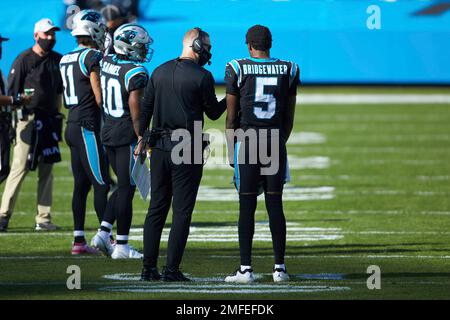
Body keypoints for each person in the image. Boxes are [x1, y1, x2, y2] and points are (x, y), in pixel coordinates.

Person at [138, 27, 226, 282]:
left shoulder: (159, 70)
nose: (209, 51)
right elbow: (213, 113)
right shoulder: (202, 76)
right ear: (196, 45)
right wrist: (232, 96)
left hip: (160, 149)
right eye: (206, 46)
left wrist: (141, 139)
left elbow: (145, 110)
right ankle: (172, 269)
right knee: (182, 212)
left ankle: (148, 268)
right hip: (186, 149)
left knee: (156, 208)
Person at [223, 25, 300, 283]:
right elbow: (289, 115)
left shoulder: (237, 67)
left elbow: (231, 116)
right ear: (270, 44)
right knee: (275, 204)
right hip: (275, 140)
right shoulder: (289, 68)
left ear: (249, 45)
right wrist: (279, 139)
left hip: (248, 140)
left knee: (247, 205)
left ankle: (246, 269)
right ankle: (280, 268)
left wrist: (231, 148)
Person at [90, 23, 153, 259]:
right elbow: (137, 112)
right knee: (127, 188)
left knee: (126, 185)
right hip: (126, 132)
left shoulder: (106, 61)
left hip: (108, 131)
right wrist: (142, 138)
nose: (143, 51)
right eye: (139, 46)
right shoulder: (135, 73)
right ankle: (122, 246)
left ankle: (104, 232)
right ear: (125, 46)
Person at [0, 19, 64, 233]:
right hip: (27, 119)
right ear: (36, 35)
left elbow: (58, 92)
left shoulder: (58, 60)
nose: (50, 38)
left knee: (47, 169)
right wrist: (15, 116)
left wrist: (57, 118)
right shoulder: (24, 60)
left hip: (49, 120)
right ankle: (3, 215)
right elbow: (12, 92)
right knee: (20, 167)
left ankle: (43, 218)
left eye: (53, 34)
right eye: (47, 34)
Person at [60, 9, 111, 254]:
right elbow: (99, 96)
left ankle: (78, 242)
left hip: (71, 125)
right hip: (87, 126)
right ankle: (107, 238)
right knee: (102, 184)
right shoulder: (92, 56)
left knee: (81, 185)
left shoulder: (65, 57)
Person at [0, 34, 33, 187]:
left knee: (4, 169)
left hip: (4, 122)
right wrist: (17, 100)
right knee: (2, 169)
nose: (1, 48)